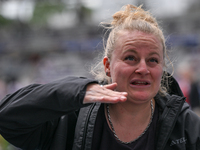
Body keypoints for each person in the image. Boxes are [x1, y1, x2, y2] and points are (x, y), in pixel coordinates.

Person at [0, 4, 200, 150]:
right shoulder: (70, 119)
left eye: (153, 60)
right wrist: (77, 91)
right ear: (107, 66)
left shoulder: (185, 126)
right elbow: (7, 117)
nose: (143, 68)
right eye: (130, 57)